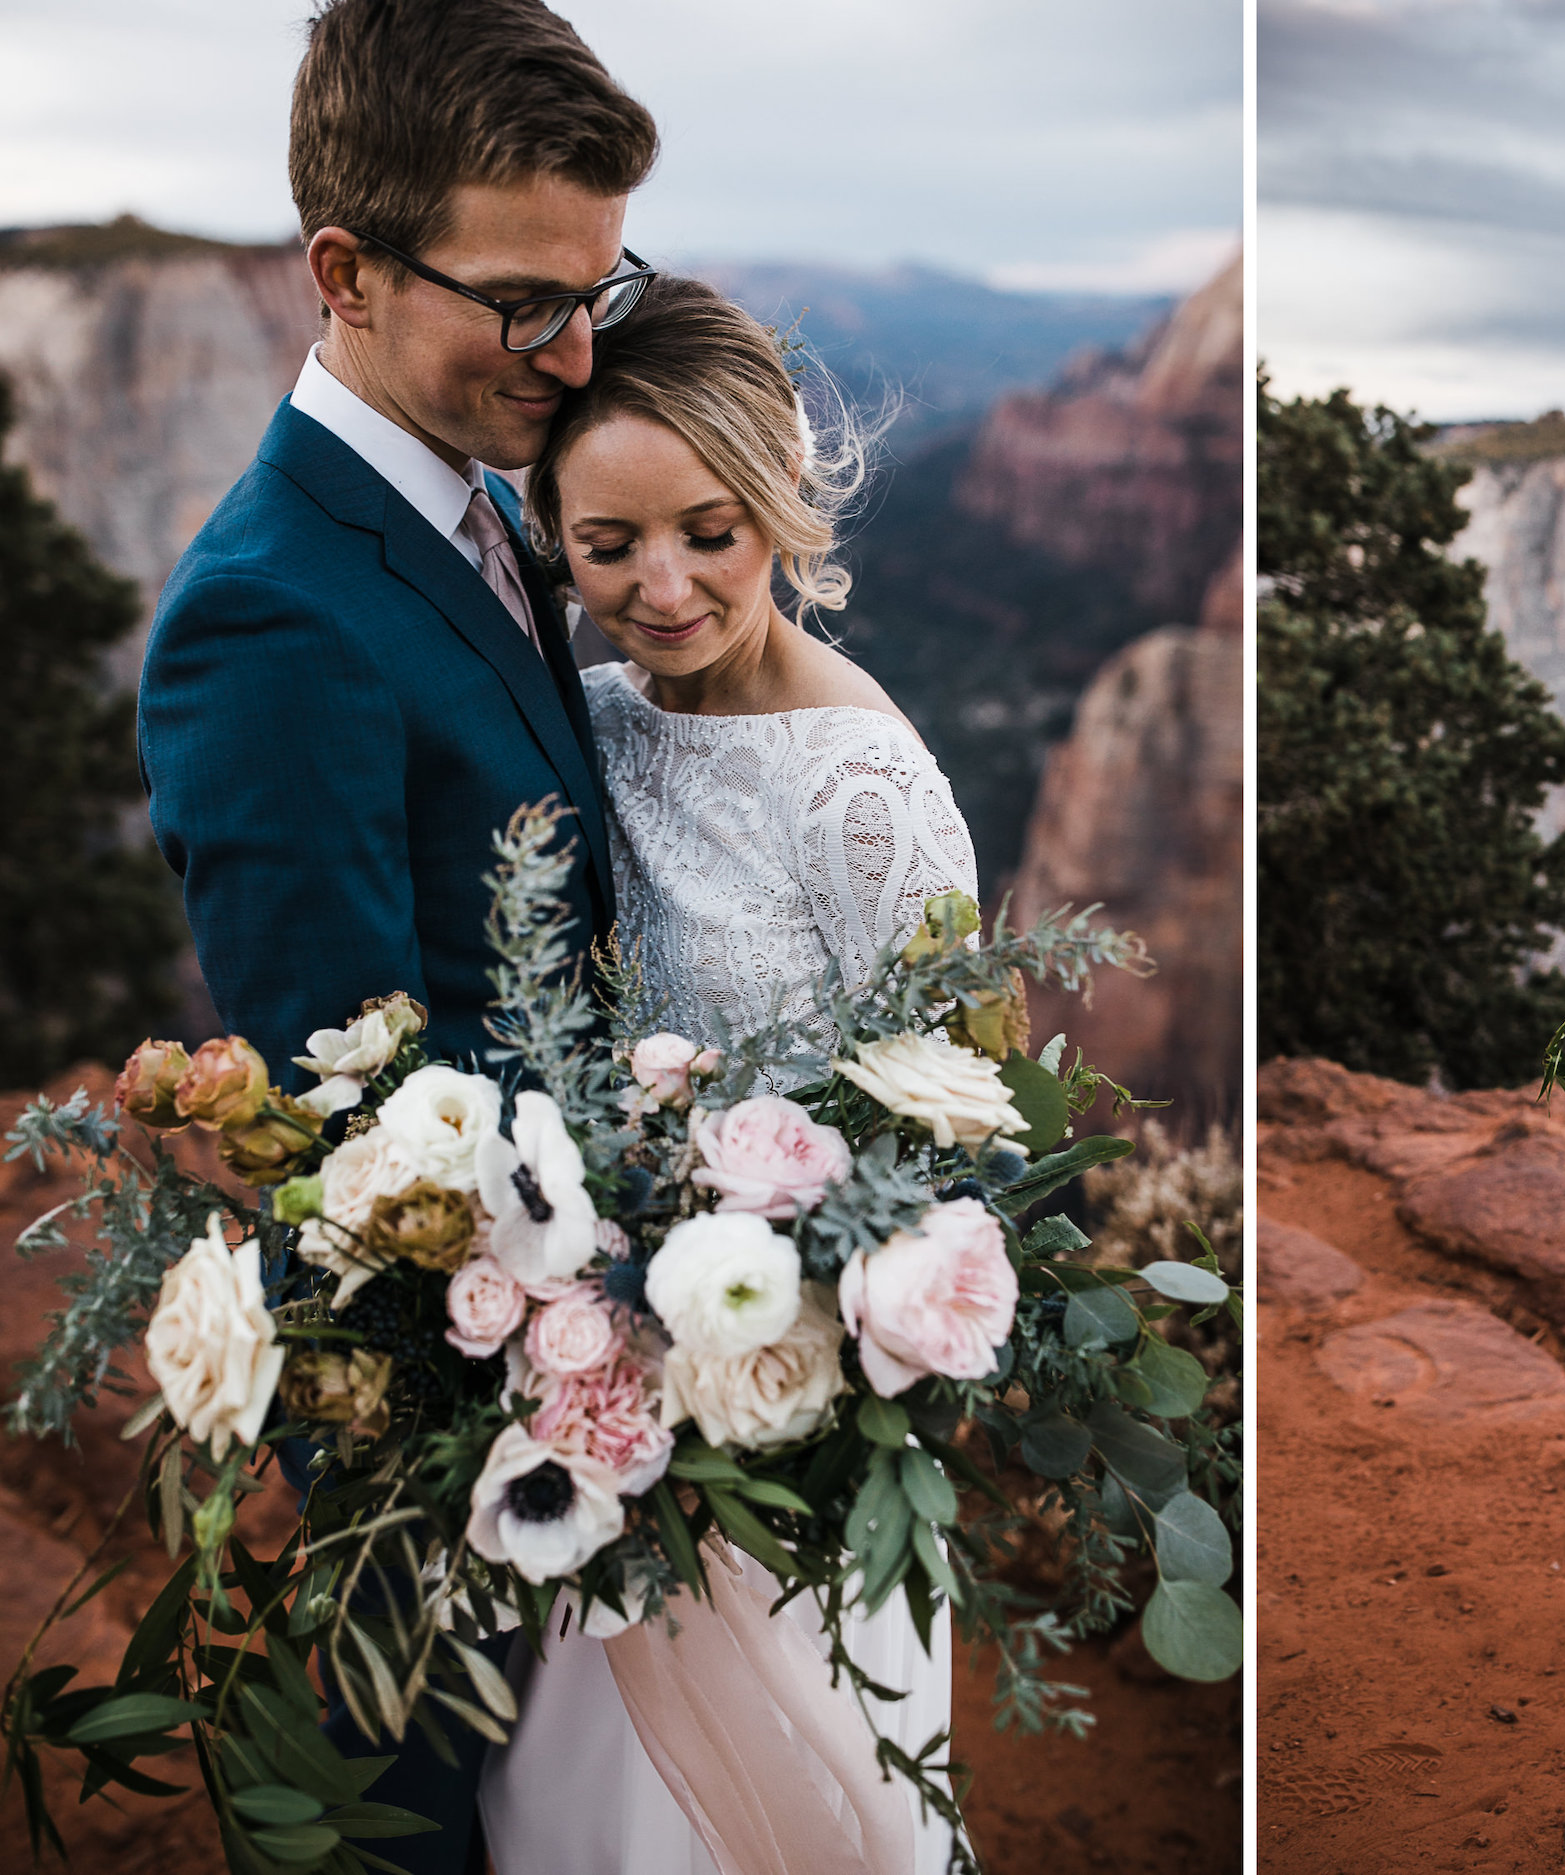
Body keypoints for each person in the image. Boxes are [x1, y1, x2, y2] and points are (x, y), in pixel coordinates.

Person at [137, 4, 656, 1869]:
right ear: (342, 273)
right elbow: (354, 1123)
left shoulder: (471, 506)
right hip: (443, 1454)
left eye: (602, 288)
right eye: (525, 301)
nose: (577, 351)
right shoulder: (269, 616)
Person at [475, 276, 971, 1875]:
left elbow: (966, 1112)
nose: (663, 587)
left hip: (792, 1421)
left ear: (776, 508)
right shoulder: (591, 718)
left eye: (710, 531)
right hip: (599, 1391)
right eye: (607, 544)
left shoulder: (865, 783)